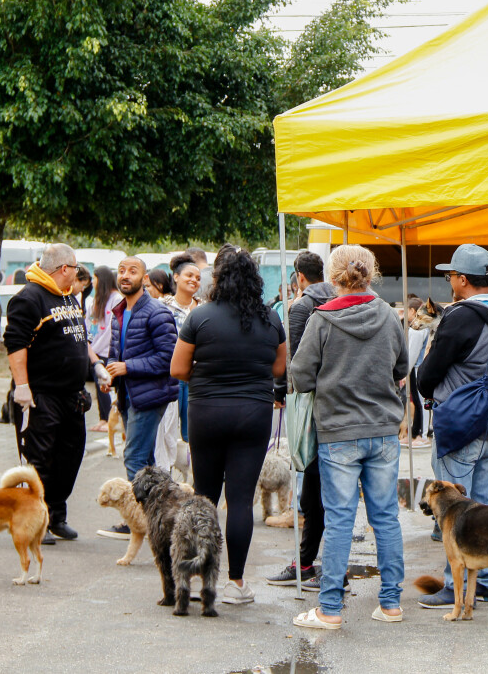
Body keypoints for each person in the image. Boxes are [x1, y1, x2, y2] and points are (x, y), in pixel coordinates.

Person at [289, 244, 406, 629]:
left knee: (339, 520)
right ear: (370, 274)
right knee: (385, 516)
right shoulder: (389, 315)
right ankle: (391, 603)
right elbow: (402, 366)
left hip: (338, 432)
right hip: (384, 430)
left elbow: (301, 376)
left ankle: (330, 610)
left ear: (334, 277)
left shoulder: (322, 319)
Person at [171, 245, 287, 606]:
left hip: (207, 412)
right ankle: (235, 583)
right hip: (253, 415)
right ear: (255, 281)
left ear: (217, 279)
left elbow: (177, 369)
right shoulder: (271, 319)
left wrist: (207, 378)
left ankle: (194, 578)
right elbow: (280, 369)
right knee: (239, 501)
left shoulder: (199, 317)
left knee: (203, 498)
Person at [416, 244, 488, 609]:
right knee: (485, 505)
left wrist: (422, 374)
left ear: (462, 279)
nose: (448, 282)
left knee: (452, 510)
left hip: (460, 421)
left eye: (450, 276)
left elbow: (427, 377)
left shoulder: (460, 316)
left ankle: (454, 585)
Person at [4, 243, 108, 543]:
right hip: (41, 394)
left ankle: (56, 516)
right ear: (64, 269)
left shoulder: (69, 297)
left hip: (70, 395)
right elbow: (15, 345)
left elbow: (81, 337)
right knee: (40, 459)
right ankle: (35, 520)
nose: (77, 273)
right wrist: (22, 386)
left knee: (70, 455)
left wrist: (96, 365)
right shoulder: (29, 298)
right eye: (75, 268)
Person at [267, 250, 338, 587]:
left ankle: (308, 564)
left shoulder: (302, 307)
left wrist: (281, 393)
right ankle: (316, 563)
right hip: (347, 410)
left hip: (312, 407)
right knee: (331, 492)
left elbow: (294, 362)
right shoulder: (344, 301)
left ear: (299, 276)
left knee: (313, 490)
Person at [98, 256, 178, 539]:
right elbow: (116, 353)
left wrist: (128, 367)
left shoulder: (157, 312)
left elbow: (168, 357)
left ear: (145, 279)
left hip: (150, 395)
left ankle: (136, 521)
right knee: (143, 460)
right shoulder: (119, 311)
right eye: (121, 271)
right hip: (127, 393)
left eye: (133, 271)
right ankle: (156, 519)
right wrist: (112, 374)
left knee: (133, 457)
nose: (125, 276)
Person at [162, 254, 203, 441]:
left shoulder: (205, 309)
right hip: (169, 375)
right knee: (167, 431)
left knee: (192, 432)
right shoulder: (162, 307)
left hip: (196, 376)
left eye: (198, 278)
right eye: (189, 275)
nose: (194, 280)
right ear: (176, 277)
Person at [86, 266, 124, 433]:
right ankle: (103, 418)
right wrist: (91, 349)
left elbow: (112, 329)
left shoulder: (116, 299)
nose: (92, 282)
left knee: (109, 386)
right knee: (100, 385)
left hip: (108, 351)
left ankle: (110, 419)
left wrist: (99, 348)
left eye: (95, 278)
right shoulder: (95, 302)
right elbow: (90, 327)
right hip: (95, 352)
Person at [403, 297, 432, 449]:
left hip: (417, 367)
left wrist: (404, 371)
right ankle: (416, 433)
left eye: (407, 310)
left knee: (421, 402)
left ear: (413, 311)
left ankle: (423, 434)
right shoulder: (424, 326)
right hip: (418, 366)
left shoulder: (417, 328)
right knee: (419, 401)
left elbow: (412, 353)